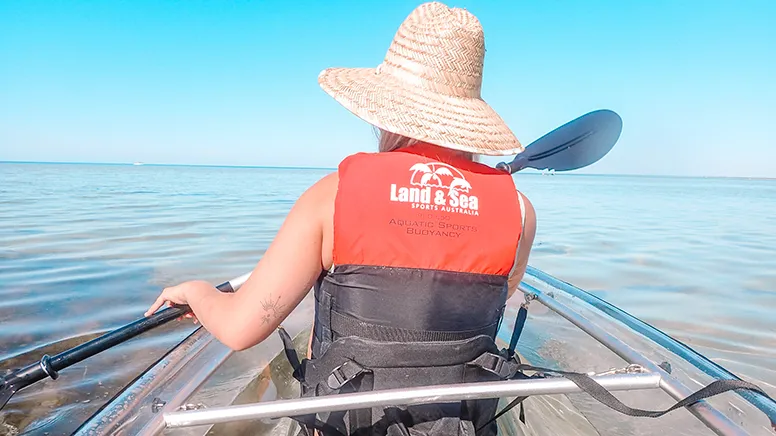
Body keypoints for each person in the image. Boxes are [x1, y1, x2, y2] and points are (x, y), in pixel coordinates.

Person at [145, 2, 536, 434]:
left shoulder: (331, 197)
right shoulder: (518, 210)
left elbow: (240, 329)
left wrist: (199, 292)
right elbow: (487, 298)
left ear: (388, 111)